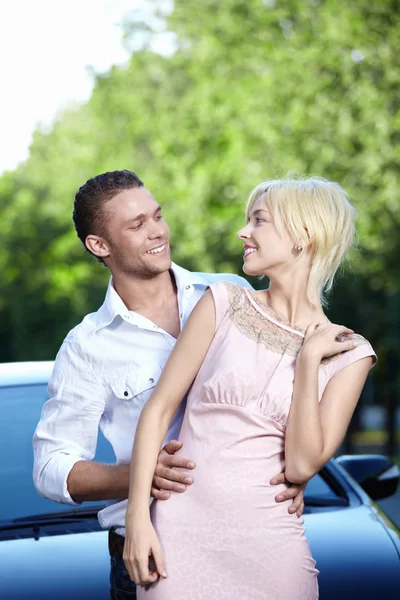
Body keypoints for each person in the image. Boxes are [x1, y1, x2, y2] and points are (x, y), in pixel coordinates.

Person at [32, 170, 306, 600]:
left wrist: (296, 470)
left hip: (252, 539)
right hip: (152, 554)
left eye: (157, 216)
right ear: (98, 245)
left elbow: (282, 395)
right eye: (136, 225)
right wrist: (138, 475)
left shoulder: (231, 293)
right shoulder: (87, 346)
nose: (158, 231)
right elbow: (51, 469)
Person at [123, 176, 377, 599]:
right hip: (179, 542)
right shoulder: (222, 303)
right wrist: (137, 519)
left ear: (302, 235)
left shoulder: (350, 354)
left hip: (271, 551)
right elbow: (158, 409)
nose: (244, 232)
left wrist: (310, 359)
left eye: (259, 220)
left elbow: (299, 467)